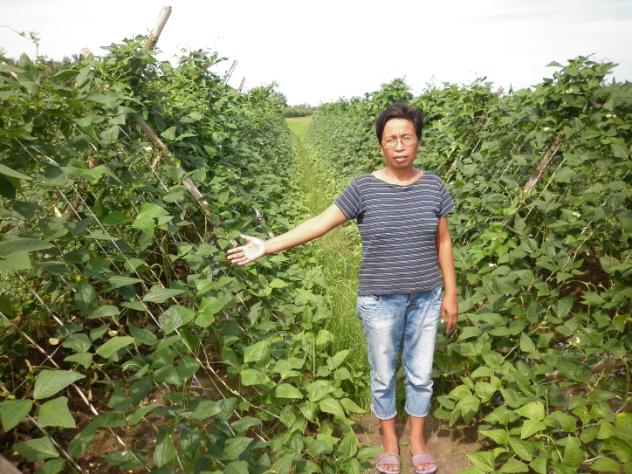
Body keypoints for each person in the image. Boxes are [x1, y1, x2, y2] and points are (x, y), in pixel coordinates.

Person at [227, 102, 458, 474]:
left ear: (418, 141)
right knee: (383, 374)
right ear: (380, 145)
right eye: (391, 139)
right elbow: (321, 222)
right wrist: (267, 246)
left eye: (406, 137)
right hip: (380, 302)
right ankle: (389, 442)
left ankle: (416, 441)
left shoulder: (434, 186)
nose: (399, 145)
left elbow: (443, 241)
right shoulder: (363, 189)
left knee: (420, 374)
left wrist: (451, 294)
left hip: (426, 298)